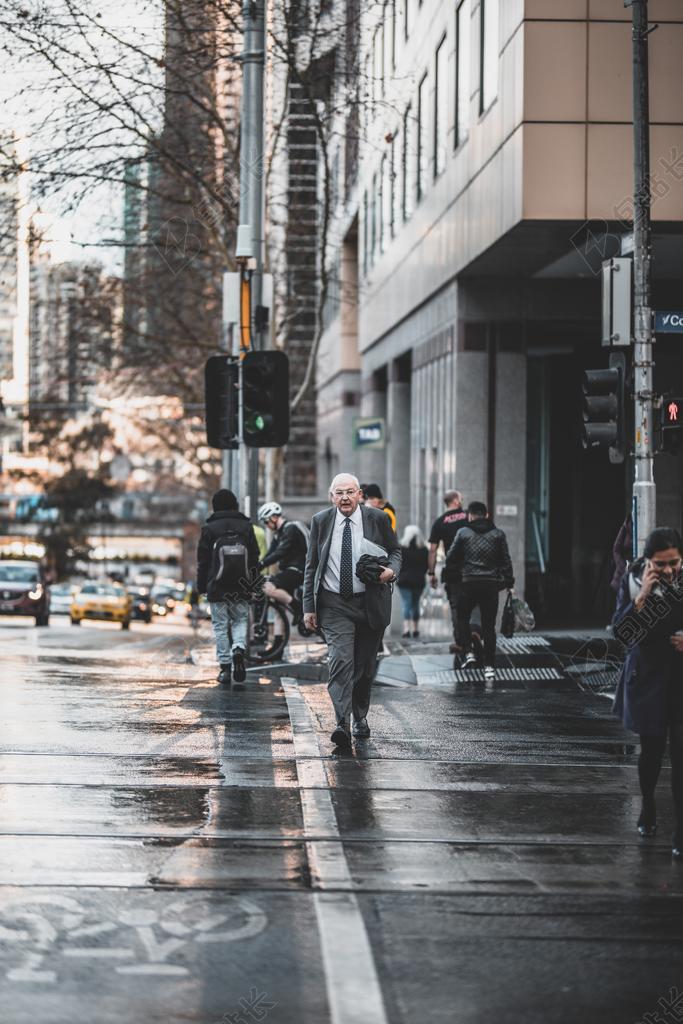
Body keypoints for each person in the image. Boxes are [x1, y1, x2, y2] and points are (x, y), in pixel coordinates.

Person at [303, 472, 402, 748]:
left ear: (360, 494)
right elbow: (311, 566)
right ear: (331, 496)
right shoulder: (321, 522)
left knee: (365, 666)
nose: (344, 497)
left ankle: (360, 716)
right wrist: (308, 607)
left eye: (350, 492)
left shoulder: (378, 519)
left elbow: (395, 551)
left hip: (370, 602)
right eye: (339, 493)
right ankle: (341, 722)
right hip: (334, 604)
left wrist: (390, 571)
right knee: (340, 661)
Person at [612, 527, 683, 858]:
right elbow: (622, 634)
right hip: (649, 678)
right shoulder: (633, 580)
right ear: (649, 561)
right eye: (661, 564)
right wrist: (641, 600)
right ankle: (649, 805)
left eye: (675, 563)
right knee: (652, 752)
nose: (669, 571)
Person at [196, 489, 260, 689]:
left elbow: (202, 561)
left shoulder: (209, 528)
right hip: (241, 586)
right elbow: (255, 558)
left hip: (217, 585)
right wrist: (254, 585)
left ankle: (225, 668)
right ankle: (239, 648)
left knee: (220, 626)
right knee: (240, 620)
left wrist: (201, 586)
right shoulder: (246, 526)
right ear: (234, 505)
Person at [446, 501, 514, 682]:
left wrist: (461, 568)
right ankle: (490, 667)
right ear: (487, 515)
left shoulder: (463, 533)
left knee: (462, 617)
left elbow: (450, 557)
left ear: (470, 515)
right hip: (490, 585)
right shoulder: (498, 534)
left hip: (468, 583)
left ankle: (468, 652)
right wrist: (508, 581)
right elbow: (506, 561)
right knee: (489, 626)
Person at [427, 490, 468, 649]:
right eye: (461, 498)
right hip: (472, 568)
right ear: (456, 501)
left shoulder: (439, 522)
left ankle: (460, 641)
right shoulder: (468, 516)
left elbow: (432, 550)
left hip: (452, 570)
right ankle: (476, 632)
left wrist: (432, 573)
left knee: (456, 606)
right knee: (476, 602)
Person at [257, 501, 309, 623]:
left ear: (274, 517)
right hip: (289, 571)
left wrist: (262, 564)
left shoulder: (290, 528)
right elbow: (270, 554)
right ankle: (279, 640)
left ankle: (298, 608)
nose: (266, 525)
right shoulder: (278, 535)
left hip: (299, 570)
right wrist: (257, 566)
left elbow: (281, 552)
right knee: (278, 606)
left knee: (267, 587)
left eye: (266, 521)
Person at [398, 525, 429, 638]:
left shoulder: (401, 548)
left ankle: (406, 629)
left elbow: (398, 565)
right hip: (419, 580)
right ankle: (415, 628)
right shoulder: (424, 549)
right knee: (416, 604)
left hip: (404, 580)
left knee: (406, 603)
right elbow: (426, 566)